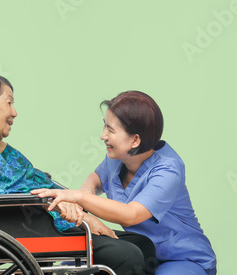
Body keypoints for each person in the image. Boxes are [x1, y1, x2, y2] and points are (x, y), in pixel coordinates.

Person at [0, 73, 156, 275]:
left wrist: (76, 205)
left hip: (50, 221)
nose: (14, 112)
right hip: (25, 232)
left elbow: (37, 180)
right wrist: (68, 210)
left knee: (143, 244)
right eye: (9, 103)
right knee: (129, 255)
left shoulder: (2, 149)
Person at [32, 91, 217, 275]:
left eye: (110, 130)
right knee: (73, 265)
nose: (103, 136)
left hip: (180, 258)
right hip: (140, 251)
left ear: (135, 140)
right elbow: (96, 179)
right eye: (104, 126)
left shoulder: (168, 170)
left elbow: (131, 214)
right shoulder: (118, 158)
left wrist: (78, 197)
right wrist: (84, 193)